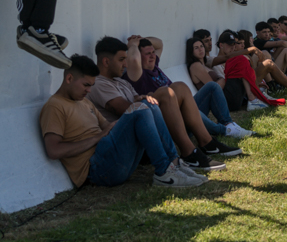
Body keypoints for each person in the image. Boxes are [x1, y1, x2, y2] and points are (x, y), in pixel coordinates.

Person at [40, 54, 205, 188]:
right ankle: (164, 172)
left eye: (91, 86)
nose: (89, 90)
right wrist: (99, 137)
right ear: (69, 79)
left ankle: (174, 163)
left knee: (148, 104)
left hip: (111, 156)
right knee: (140, 109)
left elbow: (107, 127)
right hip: (97, 169)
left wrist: (128, 120)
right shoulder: (55, 106)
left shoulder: (83, 102)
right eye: (86, 85)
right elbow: (54, 151)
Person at [89, 36, 236, 171]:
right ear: (106, 62)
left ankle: (207, 142)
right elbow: (129, 110)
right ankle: (190, 152)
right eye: (121, 59)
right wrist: (150, 98)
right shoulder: (99, 84)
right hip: (134, 141)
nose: (125, 64)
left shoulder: (121, 82)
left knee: (180, 87)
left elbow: (136, 99)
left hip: (151, 129)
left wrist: (145, 97)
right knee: (166, 93)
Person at [124, 35, 246, 165]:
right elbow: (133, 60)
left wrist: (140, 39)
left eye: (153, 52)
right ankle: (220, 132)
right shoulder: (137, 74)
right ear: (139, 57)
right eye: (147, 54)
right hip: (168, 122)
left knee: (207, 87)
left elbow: (159, 43)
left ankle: (223, 128)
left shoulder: (155, 66)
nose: (152, 56)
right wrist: (133, 44)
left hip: (182, 117)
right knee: (175, 89)